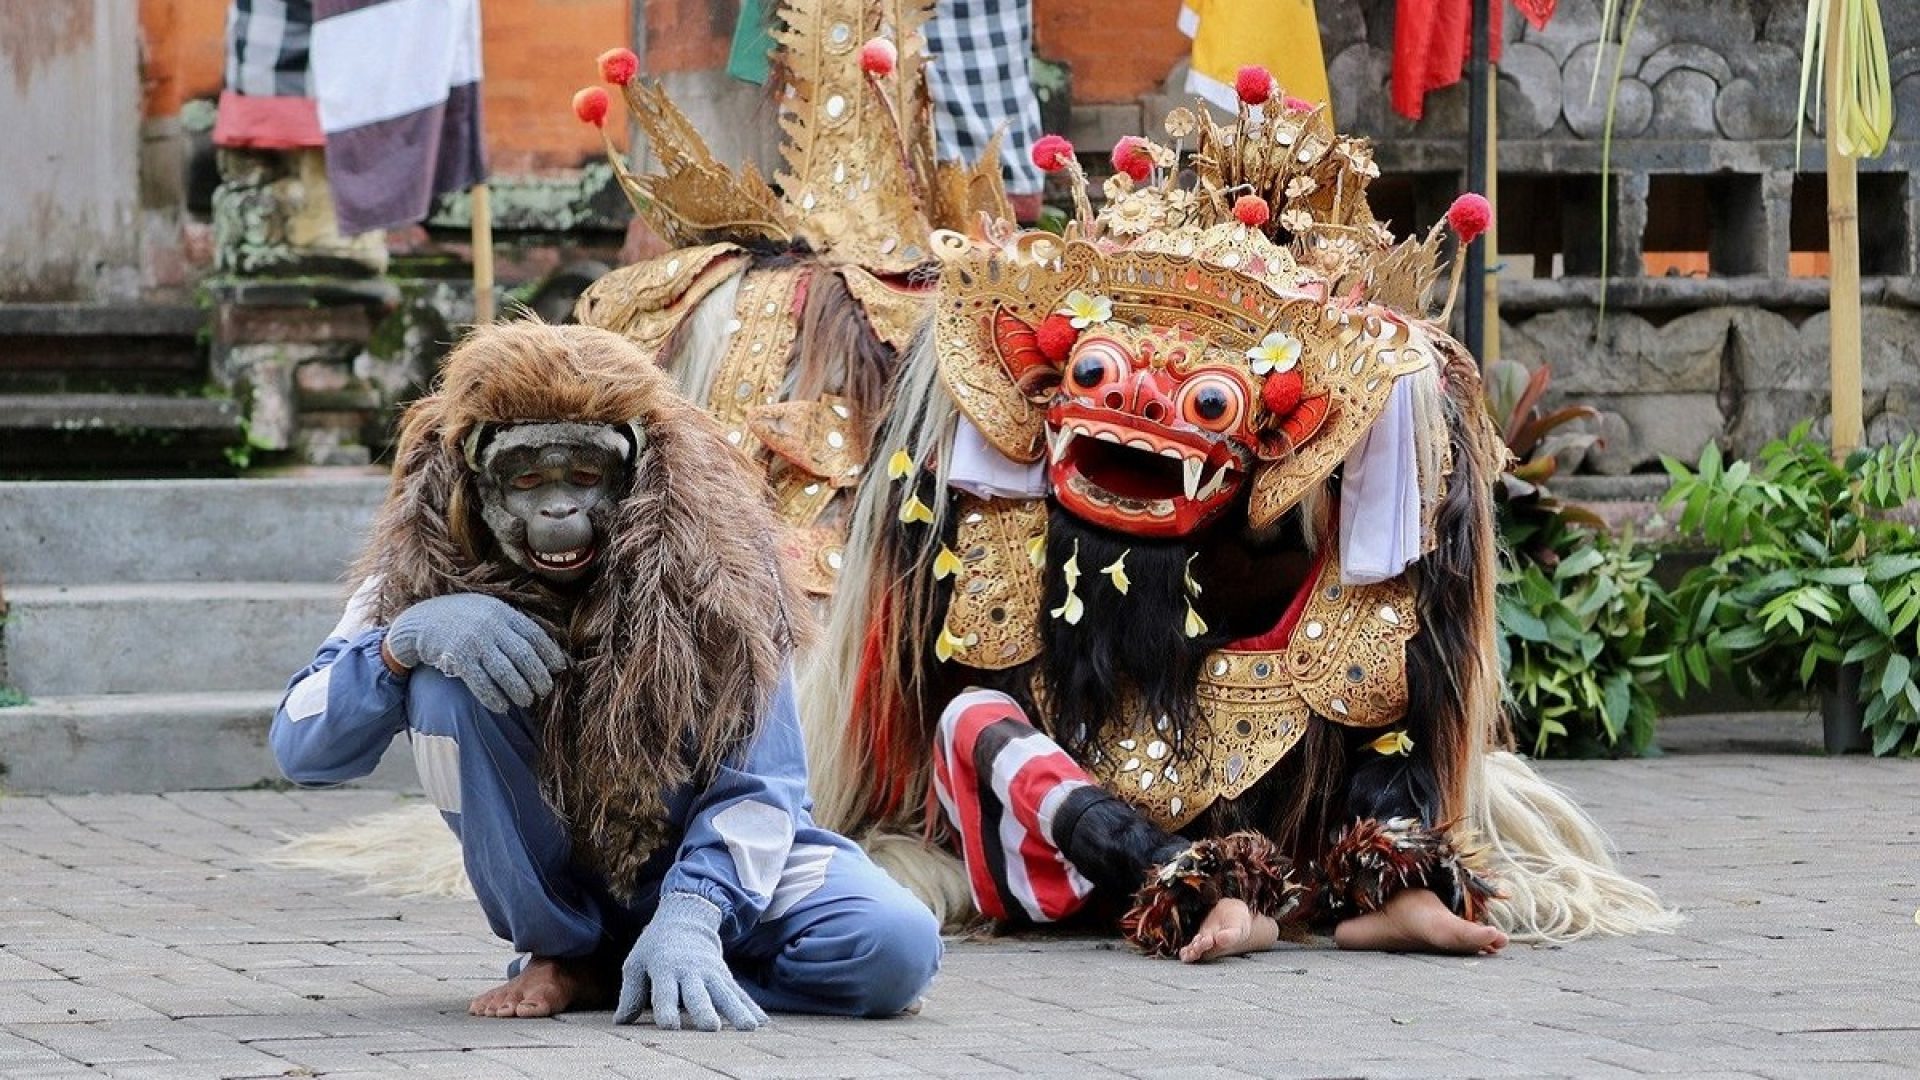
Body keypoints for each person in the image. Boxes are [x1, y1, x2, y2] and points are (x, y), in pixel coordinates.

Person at [799, 91, 1679, 959]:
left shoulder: (1358, 473)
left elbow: (1392, 679)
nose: (1141, 409)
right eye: (1102, 376)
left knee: (1373, 660)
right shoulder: (1001, 490)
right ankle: (1188, 881)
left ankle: (1393, 885)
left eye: (1205, 398)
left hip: (1287, 802)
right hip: (1080, 826)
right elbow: (948, 695)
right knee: (976, 724)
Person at [270, 321, 940, 1028]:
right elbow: (302, 748)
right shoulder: (421, 559)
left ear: (639, 471)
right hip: (560, 876)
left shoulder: (722, 564)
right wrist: (402, 645)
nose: (559, 510)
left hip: (708, 862)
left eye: (585, 478)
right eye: (527, 480)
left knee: (896, 949)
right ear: (474, 474)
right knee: (443, 684)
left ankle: (657, 966)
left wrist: (694, 912)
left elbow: (765, 784)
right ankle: (563, 951)